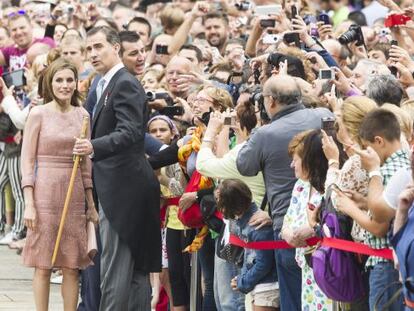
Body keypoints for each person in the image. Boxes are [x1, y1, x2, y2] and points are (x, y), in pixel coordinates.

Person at [73, 26, 161, 311]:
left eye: (98, 46)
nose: (93, 53)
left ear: (115, 47)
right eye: (88, 49)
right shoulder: (102, 84)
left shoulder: (124, 82)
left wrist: (93, 146)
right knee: (132, 274)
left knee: (116, 271)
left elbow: (132, 132)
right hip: (118, 185)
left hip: (125, 188)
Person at [236, 74, 332, 311]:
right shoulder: (323, 117)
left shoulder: (265, 134)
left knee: (293, 301)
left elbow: (244, 165)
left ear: (270, 101)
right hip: (327, 225)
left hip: (288, 230)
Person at [20, 58, 98, 311]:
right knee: (43, 264)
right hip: (44, 193)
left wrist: (90, 203)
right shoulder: (38, 113)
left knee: (72, 266)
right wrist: (29, 203)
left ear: (76, 83)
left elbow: (86, 164)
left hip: (74, 193)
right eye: (59, 80)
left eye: (69, 80)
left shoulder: (83, 115)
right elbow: (27, 160)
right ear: (49, 83)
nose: (65, 85)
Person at [281, 130, 333, 310]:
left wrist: (311, 230)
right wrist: (289, 234)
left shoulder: (330, 184)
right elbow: (287, 219)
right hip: (307, 266)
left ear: (309, 160)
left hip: (330, 266)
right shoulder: (301, 186)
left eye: (295, 160)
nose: (291, 165)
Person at [216, 179, 278, 311]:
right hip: (260, 285)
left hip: (267, 287)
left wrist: (243, 282)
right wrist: (242, 279)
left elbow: (263, 264)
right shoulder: (245, 223)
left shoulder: (257, 226)